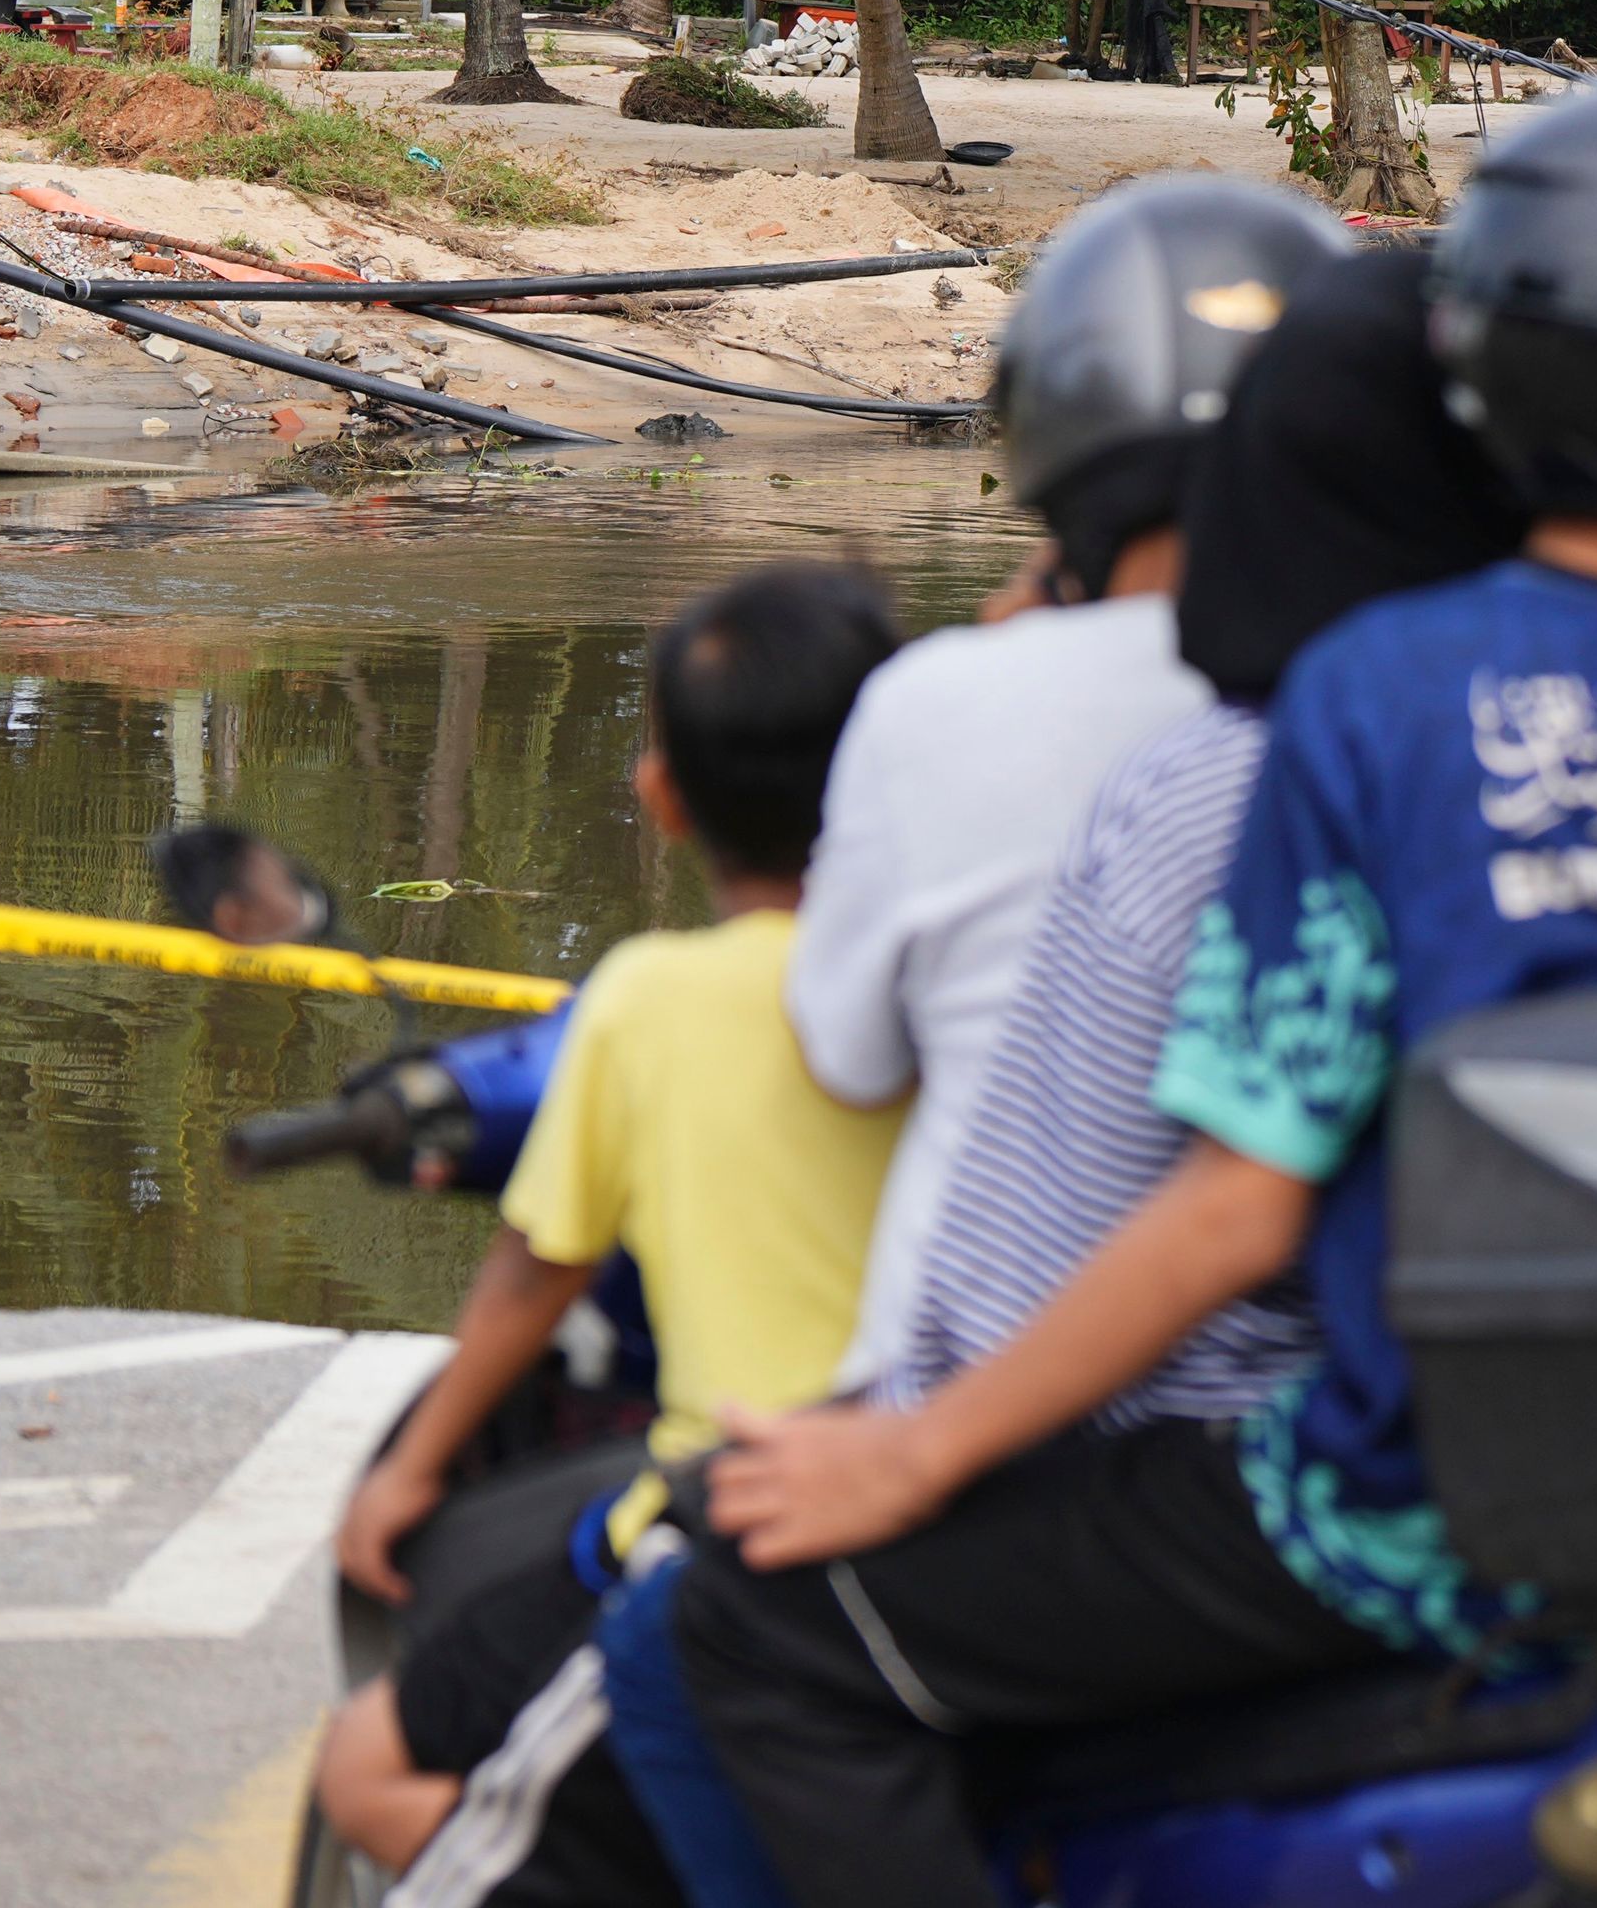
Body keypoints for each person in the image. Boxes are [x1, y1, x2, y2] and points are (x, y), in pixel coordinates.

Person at [655, 52, 1597, 1907]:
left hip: (1395, 1520)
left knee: (771, 1629)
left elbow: (1236, 1207)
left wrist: (912, 1454)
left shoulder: (1378, 694)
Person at [588, 244, 1529, 1908]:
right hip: (1507, 1439)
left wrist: (925, 1440)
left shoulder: (1191, 767)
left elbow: (1153, 1201)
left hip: (1176, 1453)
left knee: (706, 1626)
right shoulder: (1508, 722)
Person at [309, 560, 904, 1908]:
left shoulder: (646, 1001)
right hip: (967, 1506)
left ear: (662, 794)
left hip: (721, 1532)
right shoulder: (966, 974)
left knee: (363, 1771)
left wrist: (408, 1474)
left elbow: (539, 1263)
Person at [790, 177, 1349, 1397]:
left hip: (965, 1409)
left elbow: (848, 1054)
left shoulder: (940, 697)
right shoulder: (1402, 709)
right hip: (1330, 1417)